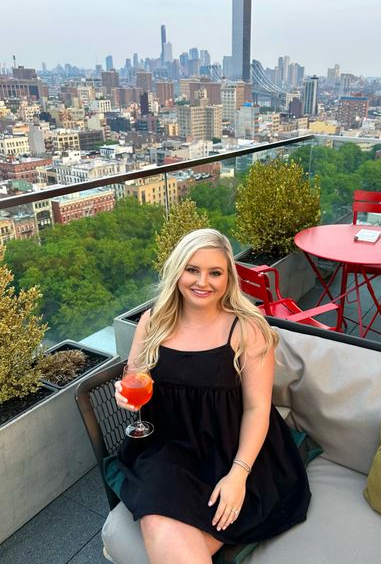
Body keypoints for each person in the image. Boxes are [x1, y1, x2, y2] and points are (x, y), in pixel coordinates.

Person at [115, 228, 311, 563]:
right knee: (156, 517)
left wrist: (239, 474)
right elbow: (135, 378)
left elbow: (257, 407)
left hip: (233, 448)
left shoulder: (247, 328)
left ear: (228, 278)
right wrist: (127, 394)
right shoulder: (153, 321)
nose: (202, 282)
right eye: (192, 269)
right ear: (178, 271)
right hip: (169, 447)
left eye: (214, 272)